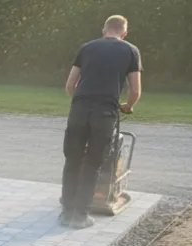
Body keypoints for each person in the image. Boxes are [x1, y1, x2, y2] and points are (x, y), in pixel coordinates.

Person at [60, 15, 142, 229]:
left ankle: (66, 212)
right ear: (124, 33)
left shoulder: (87, 48)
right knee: (93, 163)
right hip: (105, 113)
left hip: (79, 109)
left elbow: (70, 85)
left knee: (73, 160)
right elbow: (135, 90)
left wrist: (81, 101)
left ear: (104, 30)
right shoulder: (130, 50)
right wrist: (128, 106)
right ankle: (80, 216)